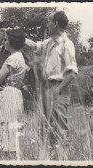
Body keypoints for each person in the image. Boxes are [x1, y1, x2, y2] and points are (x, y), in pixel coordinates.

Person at [25, 11, 78, 154]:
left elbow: (72, 72)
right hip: (46, 88)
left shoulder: (67, 44)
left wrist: (58, 90)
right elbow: (35, 46)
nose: (47, 25)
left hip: (58, 89)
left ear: (55, 24)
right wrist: (16, 36)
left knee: (59, 128)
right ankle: (49, 158)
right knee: (45, 128)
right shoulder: (50, 42)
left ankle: (63, 159)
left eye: (49, 22)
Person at [0, 29, 26, 160]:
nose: (3, 42)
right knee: (10, 131)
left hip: (7, 95)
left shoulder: (12, 58)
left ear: (12, 42)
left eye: (5, 39)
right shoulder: (20, 56)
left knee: (0, 128)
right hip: (15, 94)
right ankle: (8, 159)